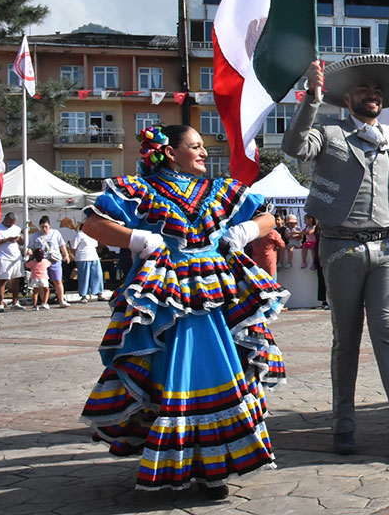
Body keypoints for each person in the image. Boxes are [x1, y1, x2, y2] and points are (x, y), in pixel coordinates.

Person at [80, 124, 286, 497]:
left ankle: (214, 466)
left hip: (219, 290)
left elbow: (269, 216)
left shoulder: (221, 189)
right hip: (168, 292)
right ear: (170, 152)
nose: (204, 153)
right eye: (195, 146)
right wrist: (138, 238)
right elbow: (94, 223)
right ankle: (188, 465)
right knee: (170, 372)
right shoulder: (138, 189)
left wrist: (245, 232)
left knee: (222, 366)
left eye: (203, 147)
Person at [282, 55, 389, 458]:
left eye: (377, 92)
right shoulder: (329, 132)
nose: (371, 96)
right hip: (340, 248)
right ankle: (343, 425)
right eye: (363, 90)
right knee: (346, 340)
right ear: (348, 97)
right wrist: (312, 99)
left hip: (386, 248)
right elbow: (293, 147)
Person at [31, 216, 71, 308]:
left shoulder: (55, 233)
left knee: (57, 280)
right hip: (42, 262)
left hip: (54, 260)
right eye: (42, 227)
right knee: (42, 283)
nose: (44, 229)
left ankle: (61, 300)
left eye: (46, 227)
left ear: (49, 226)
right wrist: (30, 252)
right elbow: (31, 247)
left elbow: (62, 245)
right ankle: (44, 302)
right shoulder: (35, 235)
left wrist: (66, 255)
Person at [0, 212, 24, 310]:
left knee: (16, 280)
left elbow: (22, 242)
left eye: (13, 222)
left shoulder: (16, 228)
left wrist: (19, 238)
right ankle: (0, 304)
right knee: (3, 280)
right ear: (5, 219)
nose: (11, 224)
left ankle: (15, 302)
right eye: (10, 222)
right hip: (3, 257)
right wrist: (6, 239)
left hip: (16, 257)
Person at [71, 228, 103, 303]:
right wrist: (75, 256)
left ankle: (99, 293)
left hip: (94, 257)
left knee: (98, 275)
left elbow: (96, 245)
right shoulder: (80, 234)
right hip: (83, 258)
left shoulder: (93, 234)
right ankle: (83, 295)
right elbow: (73, 248)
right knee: (84, 277)